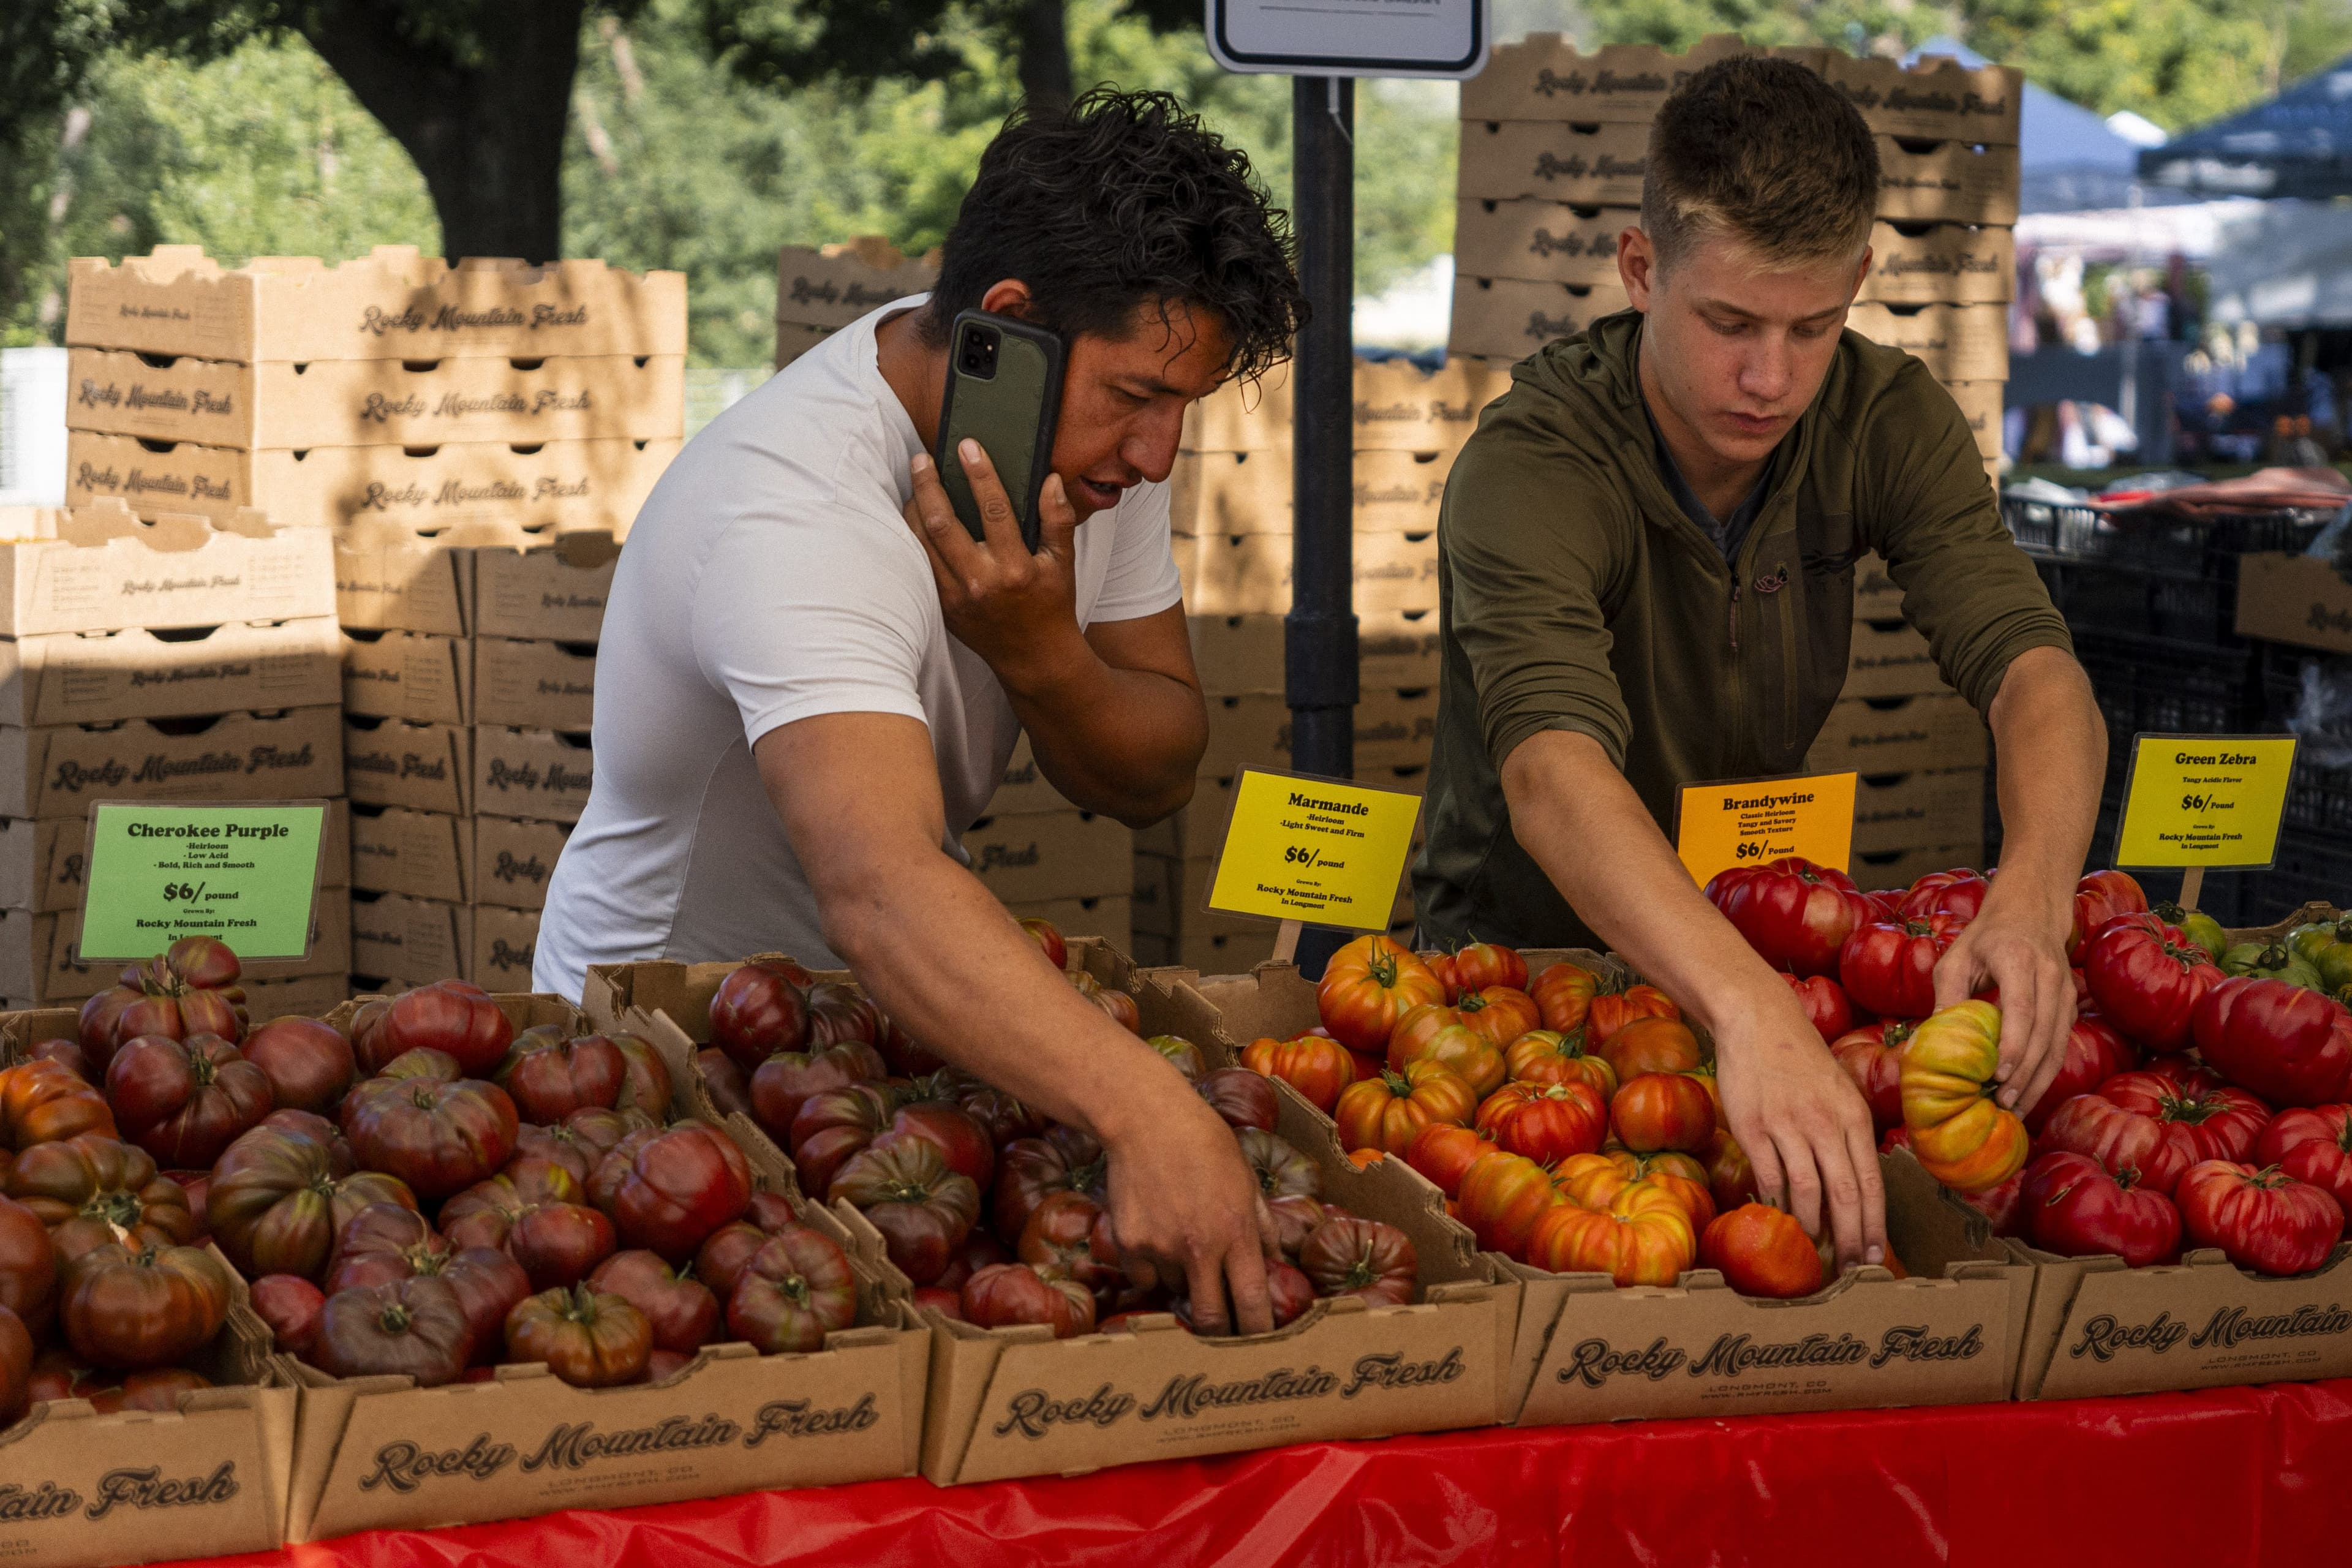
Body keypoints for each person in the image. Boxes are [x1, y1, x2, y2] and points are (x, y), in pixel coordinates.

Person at [535, 89, 1309, 1333]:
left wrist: (1043, 655)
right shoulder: (797, 511)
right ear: (1011, 325)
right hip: (655, 1066)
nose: (1160, 455)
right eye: (1138, 399)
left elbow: (1156, 763)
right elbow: (880, 886)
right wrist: (1149, 1107)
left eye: (1184, 410)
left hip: (881, 1046)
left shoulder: (1090, 449)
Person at [1414, 58, 2106, 1269]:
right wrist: (1748, 1005)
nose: (1772, 377)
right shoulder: (1533, 465)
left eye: (1813, 326)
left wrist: (2035, 899)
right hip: (1530, 996)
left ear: (1860, 285)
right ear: (1641, 269)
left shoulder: (1888, 419)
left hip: (1764, 967)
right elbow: (1551, 768)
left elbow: (2032, 670)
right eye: (1729, 323)